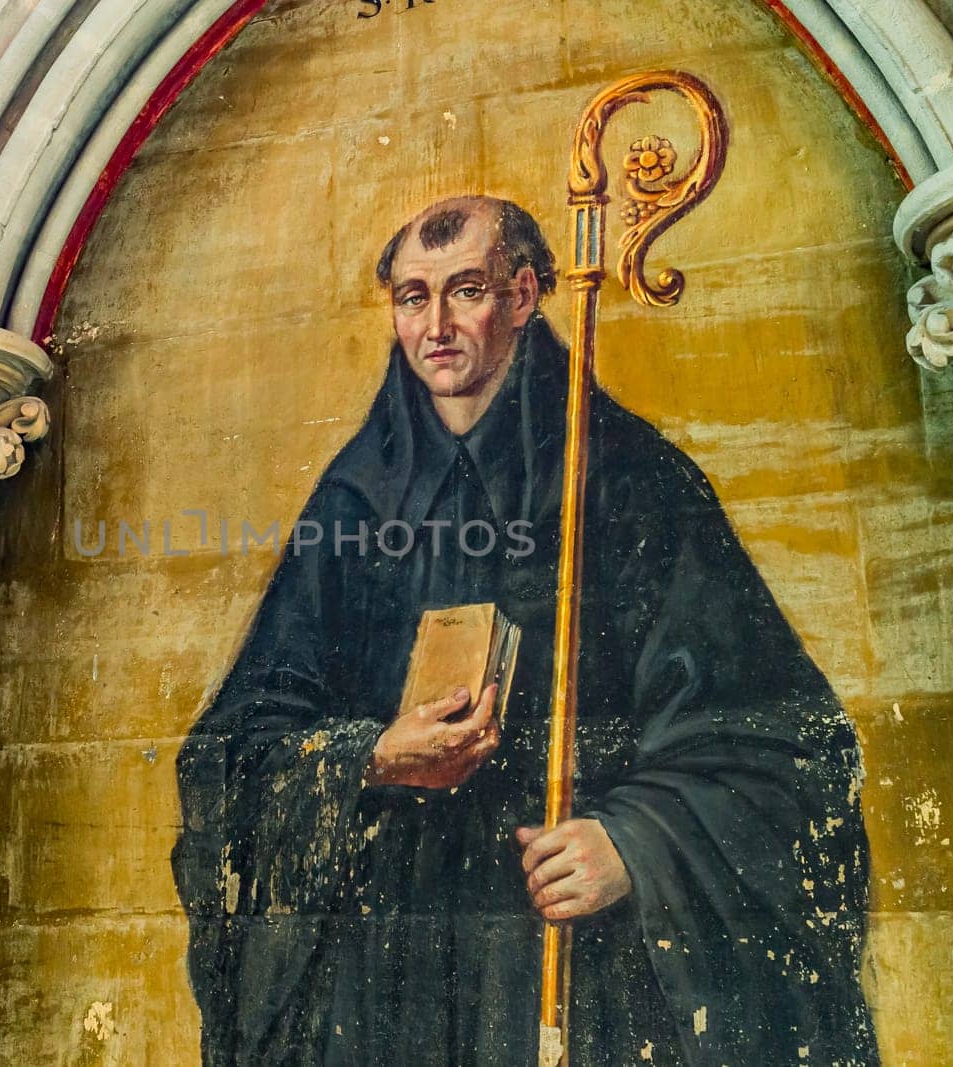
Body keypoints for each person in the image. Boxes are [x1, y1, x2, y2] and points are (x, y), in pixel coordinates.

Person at [172, 196, 877, 1065]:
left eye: (464, 290)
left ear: (525, 294)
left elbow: (783, 742)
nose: (435, 325)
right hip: (387, 972)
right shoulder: (353, 506)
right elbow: (232, 749)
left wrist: (635, 842)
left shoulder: (627, 481)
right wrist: (368, 755)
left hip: (573, 961)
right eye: (411, 297)